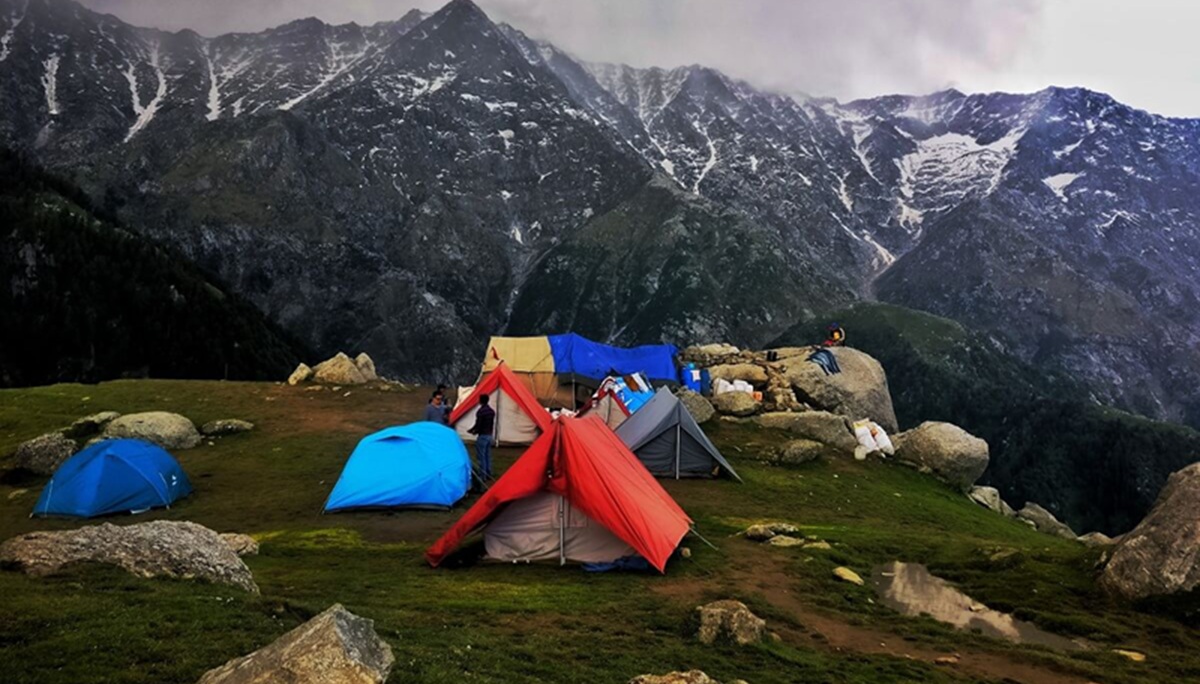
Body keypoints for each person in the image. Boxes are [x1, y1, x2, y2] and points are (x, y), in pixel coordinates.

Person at [468, 394, 496, 480]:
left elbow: (478, 424)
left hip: (482, 435)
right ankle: (488, 473)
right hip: (489, 435)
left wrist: (473, 431)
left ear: (480, 401)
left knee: (481, 456)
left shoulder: (480, 412)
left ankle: (482, 475)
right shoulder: (491, 411)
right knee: (488, 455)